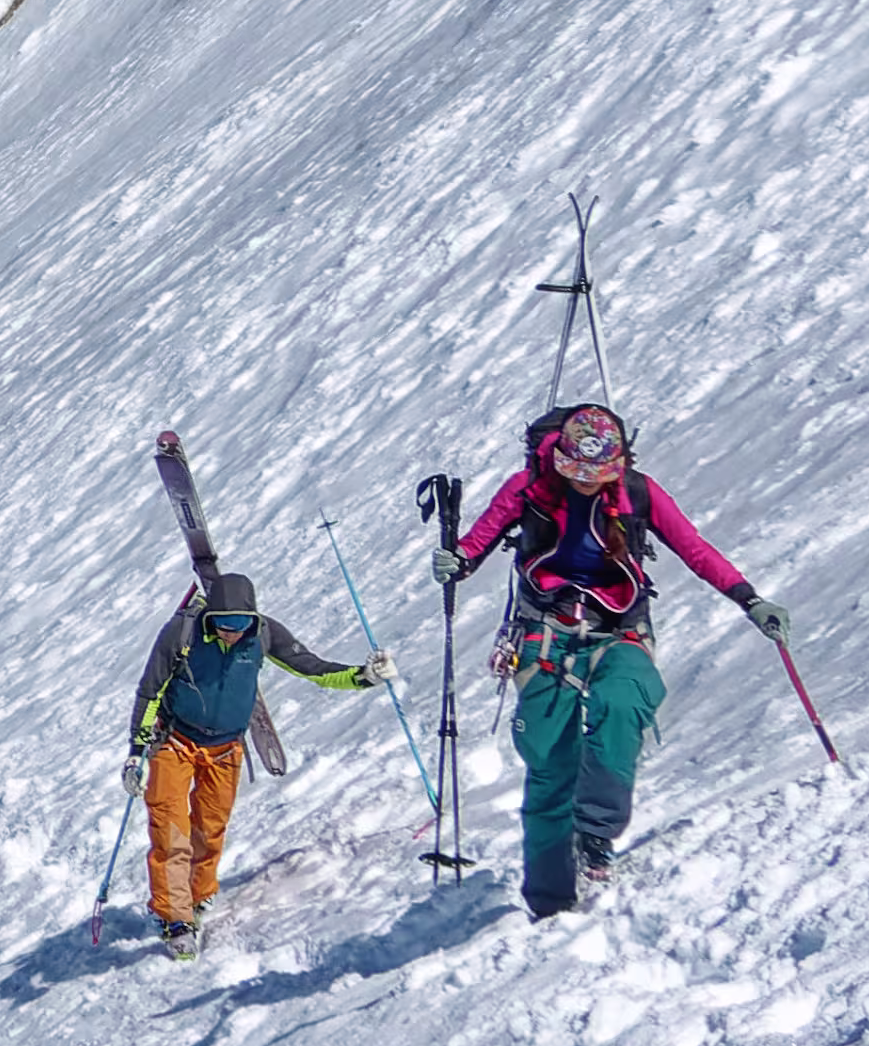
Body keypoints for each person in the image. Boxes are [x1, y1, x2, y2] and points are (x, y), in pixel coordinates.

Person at [445, 401, 784, 918]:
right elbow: (477, 544)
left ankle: (596, 831)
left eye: (596, 475)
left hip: (619, 627)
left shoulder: (638, 493)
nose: (585, 483)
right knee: (549, 758)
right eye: (575, 473)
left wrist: (748, 598)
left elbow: (693, 548)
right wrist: (458, 560)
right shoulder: (527, 487)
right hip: (544, 631)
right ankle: (550, 900)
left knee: (624, 702)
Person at [121, 568, 388, 958]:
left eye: (241, 623)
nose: (232, 631)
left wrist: (362, 677)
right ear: (210, 617)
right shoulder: (180, 634)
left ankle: (197, 898)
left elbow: (312, 668)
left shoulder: (262, 635)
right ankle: (175, 918)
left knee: (210, 829)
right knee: (170, 832)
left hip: (226, 749)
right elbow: (150, 690)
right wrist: (136, 751)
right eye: (224, 623)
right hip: (174, 742)